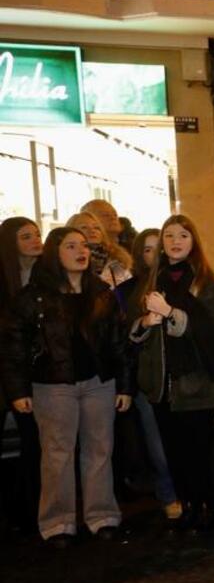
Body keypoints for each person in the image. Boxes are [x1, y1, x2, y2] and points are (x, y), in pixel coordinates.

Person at [1, 226, 132, 547]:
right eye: (71, 246)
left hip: (98, 383)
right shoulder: (32, 296)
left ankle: (102, 517)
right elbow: (13, 346)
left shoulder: (101, 293)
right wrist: (17, 391)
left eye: (84, 245)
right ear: (55, 253)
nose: (81, 251)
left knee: (100, 451)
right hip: (52, 384)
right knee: (57, 454)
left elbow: (118, 343)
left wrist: (125, 386)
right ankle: (57, 523)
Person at [129, 215, 214, 533]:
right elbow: (133, 329)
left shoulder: (206, 283)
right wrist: (145, 323)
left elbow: (213, 333)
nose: (175, 241)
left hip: (197, 382)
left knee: (199, 451)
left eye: (183, 235)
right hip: (162, 384)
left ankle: (210, 510)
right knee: (174, 453)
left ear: (194, 241)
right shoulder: (151, 281)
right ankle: (187, 507)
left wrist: (171, 314)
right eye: (169, 236)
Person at [117, 227, 179, 518]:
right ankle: (168, 495)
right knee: (157, 444)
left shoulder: (179, 282)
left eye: (159, 246)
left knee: (182, 441)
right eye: (147, 248)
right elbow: (123, 339)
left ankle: (187, 494)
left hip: (178, 375)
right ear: (139, 255)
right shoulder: (127, 291)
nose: (155, 254)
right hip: (145, 377)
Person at [0, 216, 43, 534]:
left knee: (35, 441)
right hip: (8, 369)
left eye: (37, 234)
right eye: (26, 236)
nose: (35, 241)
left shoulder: (45, 274)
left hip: (34, 372)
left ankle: (30, 508)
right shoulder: (5, 279)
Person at [68, 211, 132, 288]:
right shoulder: (68, 262)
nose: (92, 231)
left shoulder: (117, 260)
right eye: (84, 227)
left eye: (96, 228)